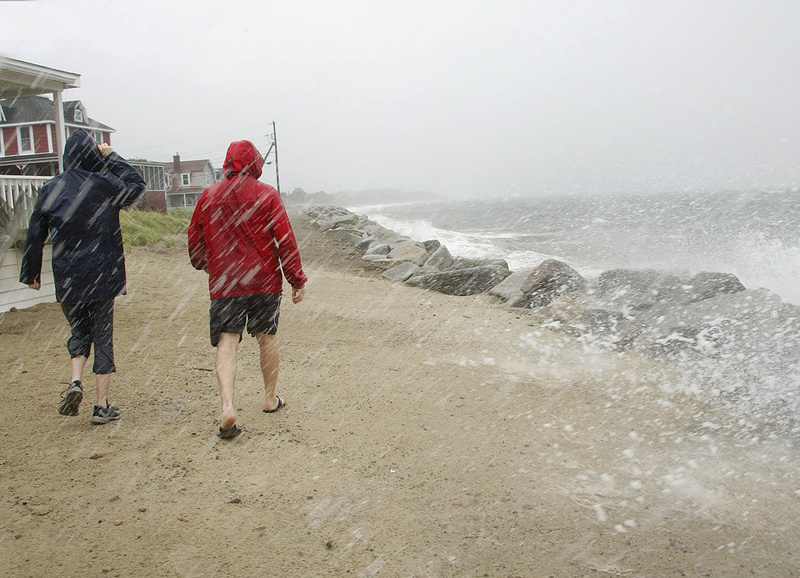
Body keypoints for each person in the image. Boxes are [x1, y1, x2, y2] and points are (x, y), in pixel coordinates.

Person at [19, 129, 146, 424]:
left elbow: (35, 232)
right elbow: (137, 186)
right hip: (102, 273)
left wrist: (31, 272)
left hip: (67, 275)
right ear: (91, 154)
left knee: (79, 331)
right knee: (103, 336)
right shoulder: (105, 185)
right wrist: (110, 156)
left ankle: (75, 381)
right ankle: (101, 406)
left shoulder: (51, 188)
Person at [188, 140, 307, 439]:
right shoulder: (266, 195)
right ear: (255, 163)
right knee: (267, 339)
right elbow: (285, 240)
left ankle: (228, 406)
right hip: (263, 282)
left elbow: (195, 242)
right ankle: (270, 398)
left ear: (228, 162)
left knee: (227, 342)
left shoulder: (209, 196)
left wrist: (206, 264)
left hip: (225, 283)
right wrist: (296, 279)